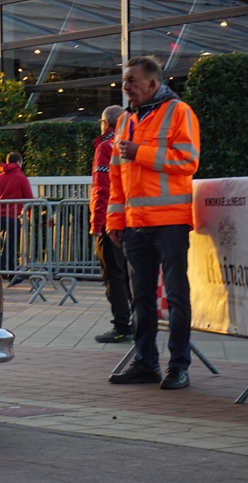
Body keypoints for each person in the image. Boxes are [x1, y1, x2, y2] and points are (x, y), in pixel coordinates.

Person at [106, 55, 200, 390]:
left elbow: (188, 161)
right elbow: (116, 177)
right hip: (135, 225)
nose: (125, 87)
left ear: (152, 83)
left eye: (131, 81)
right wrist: (115, 220)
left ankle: (178, 366)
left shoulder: (179, 112)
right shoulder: (124, 121)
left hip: (171, 221)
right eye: (124, 81)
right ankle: (146, 363)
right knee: (141, 299)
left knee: (176, 297)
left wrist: (140, 152)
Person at [91, 105, 134, 344]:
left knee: (113, 274)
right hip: (134, 219)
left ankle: (121, 325)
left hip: (112, 220)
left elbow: (102, 188)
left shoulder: (105, 147)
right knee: (131, 274)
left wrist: (97, 223)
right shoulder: (133, 143)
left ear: (106, 124)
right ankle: (137, 322)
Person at [0, 152, 33, 280]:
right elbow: (29, 198)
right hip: (13, 217)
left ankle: (11, 274)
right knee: (9, 246)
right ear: (18, 162)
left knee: (7, 245)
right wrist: (28, 214)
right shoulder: (21, 178)